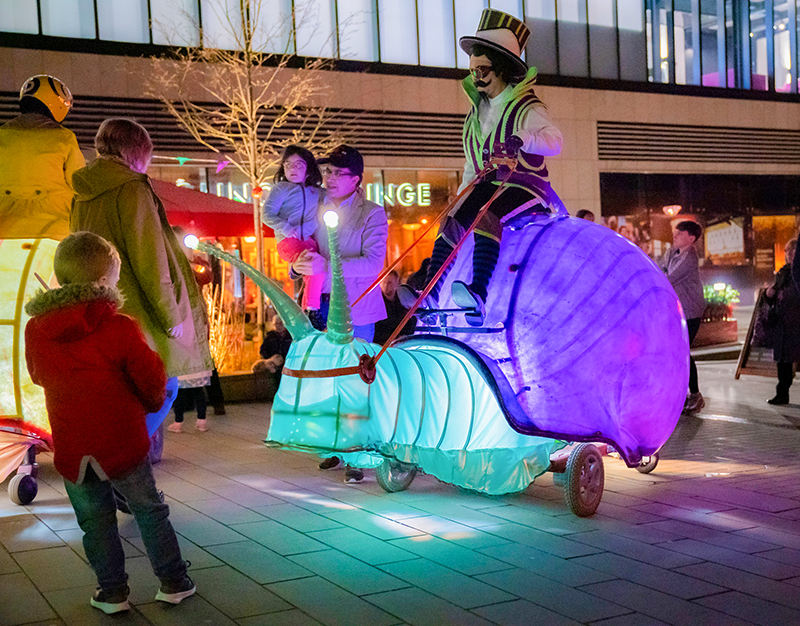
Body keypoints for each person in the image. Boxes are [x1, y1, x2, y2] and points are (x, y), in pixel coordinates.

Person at [24, 232, 195, 615]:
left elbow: (37, 375)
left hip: (73, 446)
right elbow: (151, 380)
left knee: (95, 522)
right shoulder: (120, 327)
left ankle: (112, 592)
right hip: (122, 443)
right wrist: (154, 403)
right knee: (149, 510)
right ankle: (173, 582)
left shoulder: (36, 329)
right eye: (115, 279)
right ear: (103, 282)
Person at [399, 9, 564, 326]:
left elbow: (555, 141)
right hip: (486, 185)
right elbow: (471, 163)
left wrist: (524, 138)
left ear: (501, 69)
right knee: (453, 219)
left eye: (483, 69)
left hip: (527, 188)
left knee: (487, 213)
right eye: (473, 70)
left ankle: (478, 292)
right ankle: (430, 292)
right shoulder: (476, 114)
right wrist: (461, 196)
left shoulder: (526, 106)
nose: (477, 76)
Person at [70, 118, 214, 437]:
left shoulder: (81, 191)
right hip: (138, 312)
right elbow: (150, 257)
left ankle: (121, 452)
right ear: (137, 152)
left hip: (98, 308)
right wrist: (171, 315)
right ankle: (126, 451)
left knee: (122, 392)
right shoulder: (132, 188)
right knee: (163, 386)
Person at [292, 144, 388, 483]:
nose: (330, 178)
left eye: (338, 173)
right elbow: (301, 247)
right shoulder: (313, 206)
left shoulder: (372, 213)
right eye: (327, 172)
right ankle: (335, 446)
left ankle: (358, 455)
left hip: (357, 309)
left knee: (355, 381)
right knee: (326, 379)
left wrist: (328, 266)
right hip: (318, 304)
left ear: (356, 179)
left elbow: (374, 263)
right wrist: (297, 265)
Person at [0, 75, 86, 434]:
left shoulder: (2, 136)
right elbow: (81, 185)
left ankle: (8, 408)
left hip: (5, 238)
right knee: (47, 319)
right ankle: (43, 411)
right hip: (50, 239)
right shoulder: (63, 138)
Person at [262, 145, 325, 322]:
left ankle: (308, 309)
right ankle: (311, 311)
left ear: (308, 168)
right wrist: (285, 228)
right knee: (314, 267)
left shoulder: (315, 191)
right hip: (288, 241)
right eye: (288, 164)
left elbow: (332, 196)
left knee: (315, 272)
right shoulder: (281, 189)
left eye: (298, 165)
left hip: (308, 241)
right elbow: (266, 214)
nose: (292, 169)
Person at [660, 220, 705, 413]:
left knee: (682, 352)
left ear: (691, 238)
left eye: (680, 233)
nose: (675, 235)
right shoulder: (671, 253)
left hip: (691, 311)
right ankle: (682, 394)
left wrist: (663, 272)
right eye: (675, 232)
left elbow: (668, 277)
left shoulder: (689, 258)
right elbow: (659, 268)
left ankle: (695, 395)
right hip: (677, 310)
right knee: (675, 352)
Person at [764, 239, 800, 405]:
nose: (790, 254)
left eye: (794, 250)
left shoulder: (796, 273)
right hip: (782, 323)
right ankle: (782, 393)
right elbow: (774, 295)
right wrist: (768, 294)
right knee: (783, 360)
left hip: (796, 322)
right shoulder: (783, 272)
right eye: (787, 251)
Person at [373, 269, 417, 346]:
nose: (386, 285)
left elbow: (411, 320)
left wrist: (404, 336)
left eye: (389, 283)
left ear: (396, 283)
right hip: (382, 344)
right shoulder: (375, 303)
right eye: (383, 282)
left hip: (402, 342)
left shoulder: (402, 300)